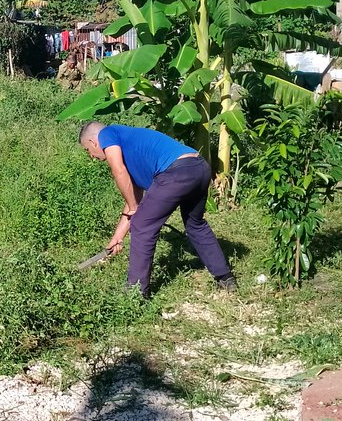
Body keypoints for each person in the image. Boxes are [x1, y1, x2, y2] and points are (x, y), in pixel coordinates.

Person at [79, 121, 236, 298]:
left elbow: (118, 171)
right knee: (195, 224)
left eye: (88, 150)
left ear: (93, 142)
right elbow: (134, 202)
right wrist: (118, 237)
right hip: (199, 167)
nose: (91, 156)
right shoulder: (130, 148)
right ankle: (225, 278)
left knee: (142, 226)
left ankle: (136, 293)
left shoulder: (107, 133)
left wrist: (134, 208)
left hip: (176, 172)